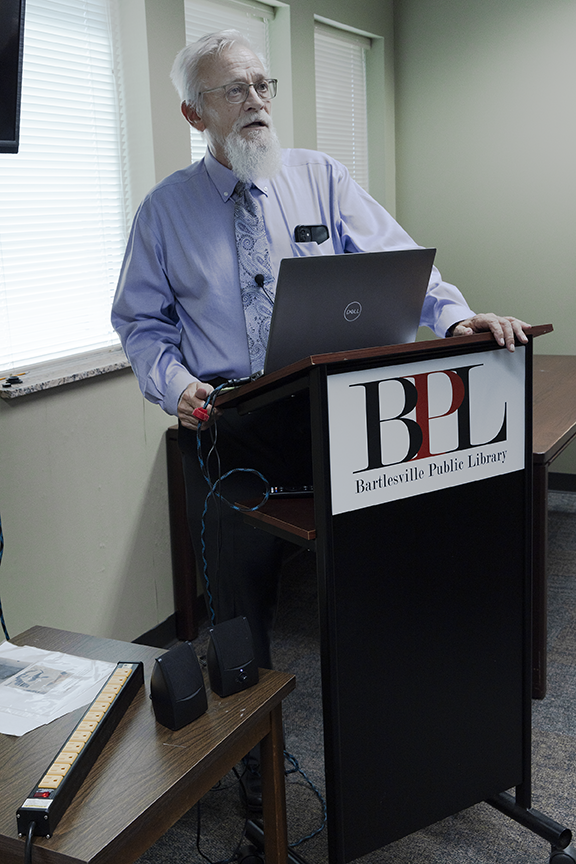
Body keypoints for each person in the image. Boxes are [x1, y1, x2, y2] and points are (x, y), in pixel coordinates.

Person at [112, 29, 530, 674]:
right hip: (234, 422)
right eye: (235, 89)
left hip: (338, 408)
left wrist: (455, 321)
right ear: (195, 114)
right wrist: (175, 385)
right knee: (239, 603)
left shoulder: (320, 177)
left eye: (262, 84)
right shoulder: (163, 213)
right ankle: (251, 762)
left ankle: (389, 724)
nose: (257, 100)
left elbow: (403, 269)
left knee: (379, 572)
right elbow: (141, 325)